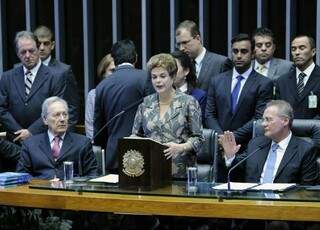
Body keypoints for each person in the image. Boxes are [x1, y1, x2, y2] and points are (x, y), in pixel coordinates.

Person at [131, 53, 204, 179]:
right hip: (150, 172)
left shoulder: (188, 102)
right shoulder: (146, 103)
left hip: (180, 173)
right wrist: (132, 140)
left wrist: (182, 147)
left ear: (173, 76)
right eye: (154, 77)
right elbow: (136, 134)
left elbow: (199, 139)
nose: (158, 81)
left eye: (162, 76)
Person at [219, 100, 318, 185]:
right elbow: (236, 175)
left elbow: (307, 189)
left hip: (285, 204)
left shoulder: (305, 149)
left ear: (285, 121)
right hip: (252, 202)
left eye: (268, 119)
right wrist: (230, 156)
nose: (263, 124)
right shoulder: (255, 144)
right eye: (263, 120)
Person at [205, 33, 273, 146]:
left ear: (253, 54)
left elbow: (258, 118)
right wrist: (221, 138)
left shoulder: (264, 83)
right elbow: (209, 114)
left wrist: (231, 139)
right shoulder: (216, 81)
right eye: (235, 51)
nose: (239, 55)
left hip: (248, 145)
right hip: (218, 145)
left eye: (244, 51)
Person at [0, 31, 66, 143]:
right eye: (23, 52)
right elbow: (1, 108)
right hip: (15, 141)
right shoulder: (7, 77)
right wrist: (19, 132)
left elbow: (55, 110)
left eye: (31, 51)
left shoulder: (55, 77)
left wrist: (31, 131)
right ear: (17, 53)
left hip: (44, 141)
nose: (27, 55)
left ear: (38, 49)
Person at [94, 39, 149, 172]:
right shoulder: (146, 78)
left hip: (114, 155)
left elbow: (99, 128)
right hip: (144, 152)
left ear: (113, 58)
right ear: (136, 57)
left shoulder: (102, 85)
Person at [17, 96, 97, 179]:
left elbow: (92, 174)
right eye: (57, 115)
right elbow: (21, 175)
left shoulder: (82, 143)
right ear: (45, 119)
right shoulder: (30, 144)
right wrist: (44, 184)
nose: (62, 119)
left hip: (71, 190)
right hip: (40, 190)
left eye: (65, 114)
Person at [33, 25, 80, 130]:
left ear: (52, 45)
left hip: (56, 132)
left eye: (46, 43)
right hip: (29, 133)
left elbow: (72, 106)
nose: (41, 48)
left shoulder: (64, 71)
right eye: (38, 44)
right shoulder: (25, 70)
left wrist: (64, 135)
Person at [175, 20, 232, 92]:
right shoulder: (181, 66)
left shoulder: (221, 63)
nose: (181, 48)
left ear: (198, 38)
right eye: (178, 44)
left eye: (185, 42)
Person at [276, 35, 320, 119]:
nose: (297, 52)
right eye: (293, 49)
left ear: (313, 52)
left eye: (302, 48)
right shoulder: (282, 81)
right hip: (288, 130)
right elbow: (279, 112)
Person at [171, 50, 206, 122]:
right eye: (168, 68)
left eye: (175, 68)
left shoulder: (199, 96)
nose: (171, 72)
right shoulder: (160, 94)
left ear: (186, 71)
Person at [85, 54, 115, 139]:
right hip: (100, 143)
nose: (116, 74)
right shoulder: (94, 94)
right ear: (103, 72)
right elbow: (90, 125)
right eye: (112, 70)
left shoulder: (126, 92)